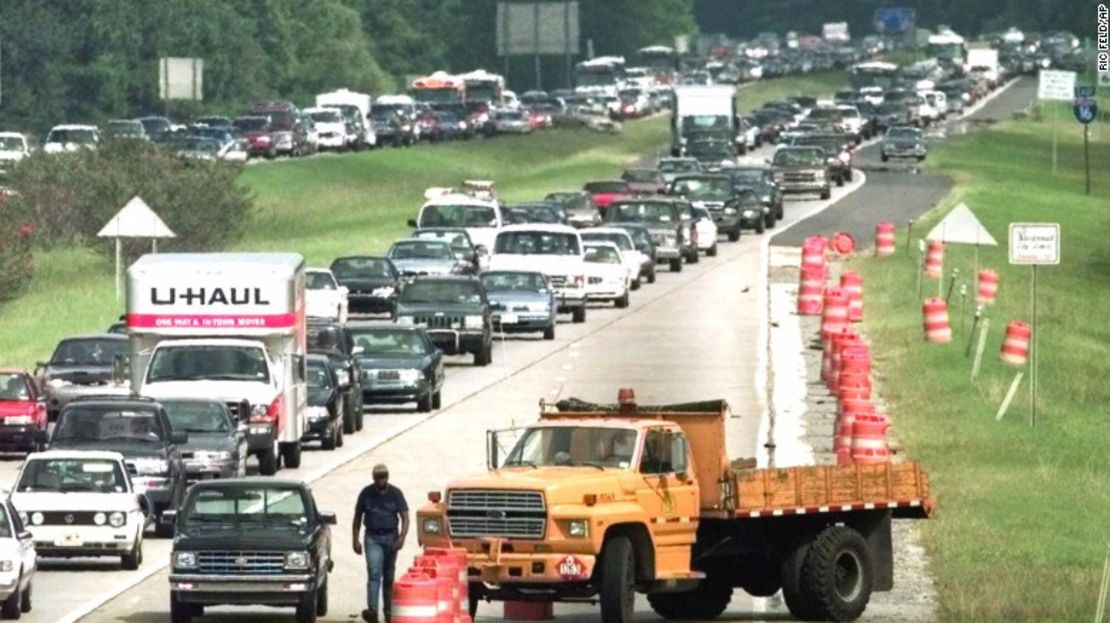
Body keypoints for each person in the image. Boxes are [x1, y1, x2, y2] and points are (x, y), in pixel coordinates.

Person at [353, 464, 409, 623]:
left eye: (384, 476)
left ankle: (389, 612)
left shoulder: (396, 494)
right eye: (378, 477)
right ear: (374, 478)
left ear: (388, 477)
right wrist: (355, 539)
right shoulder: (366, 494)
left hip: (391, 538)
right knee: (374, 573)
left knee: (389, 576)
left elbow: (405, 516)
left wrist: (402, 537)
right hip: (372, 538)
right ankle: (372, 611)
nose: (381, 480)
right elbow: (357, 518)